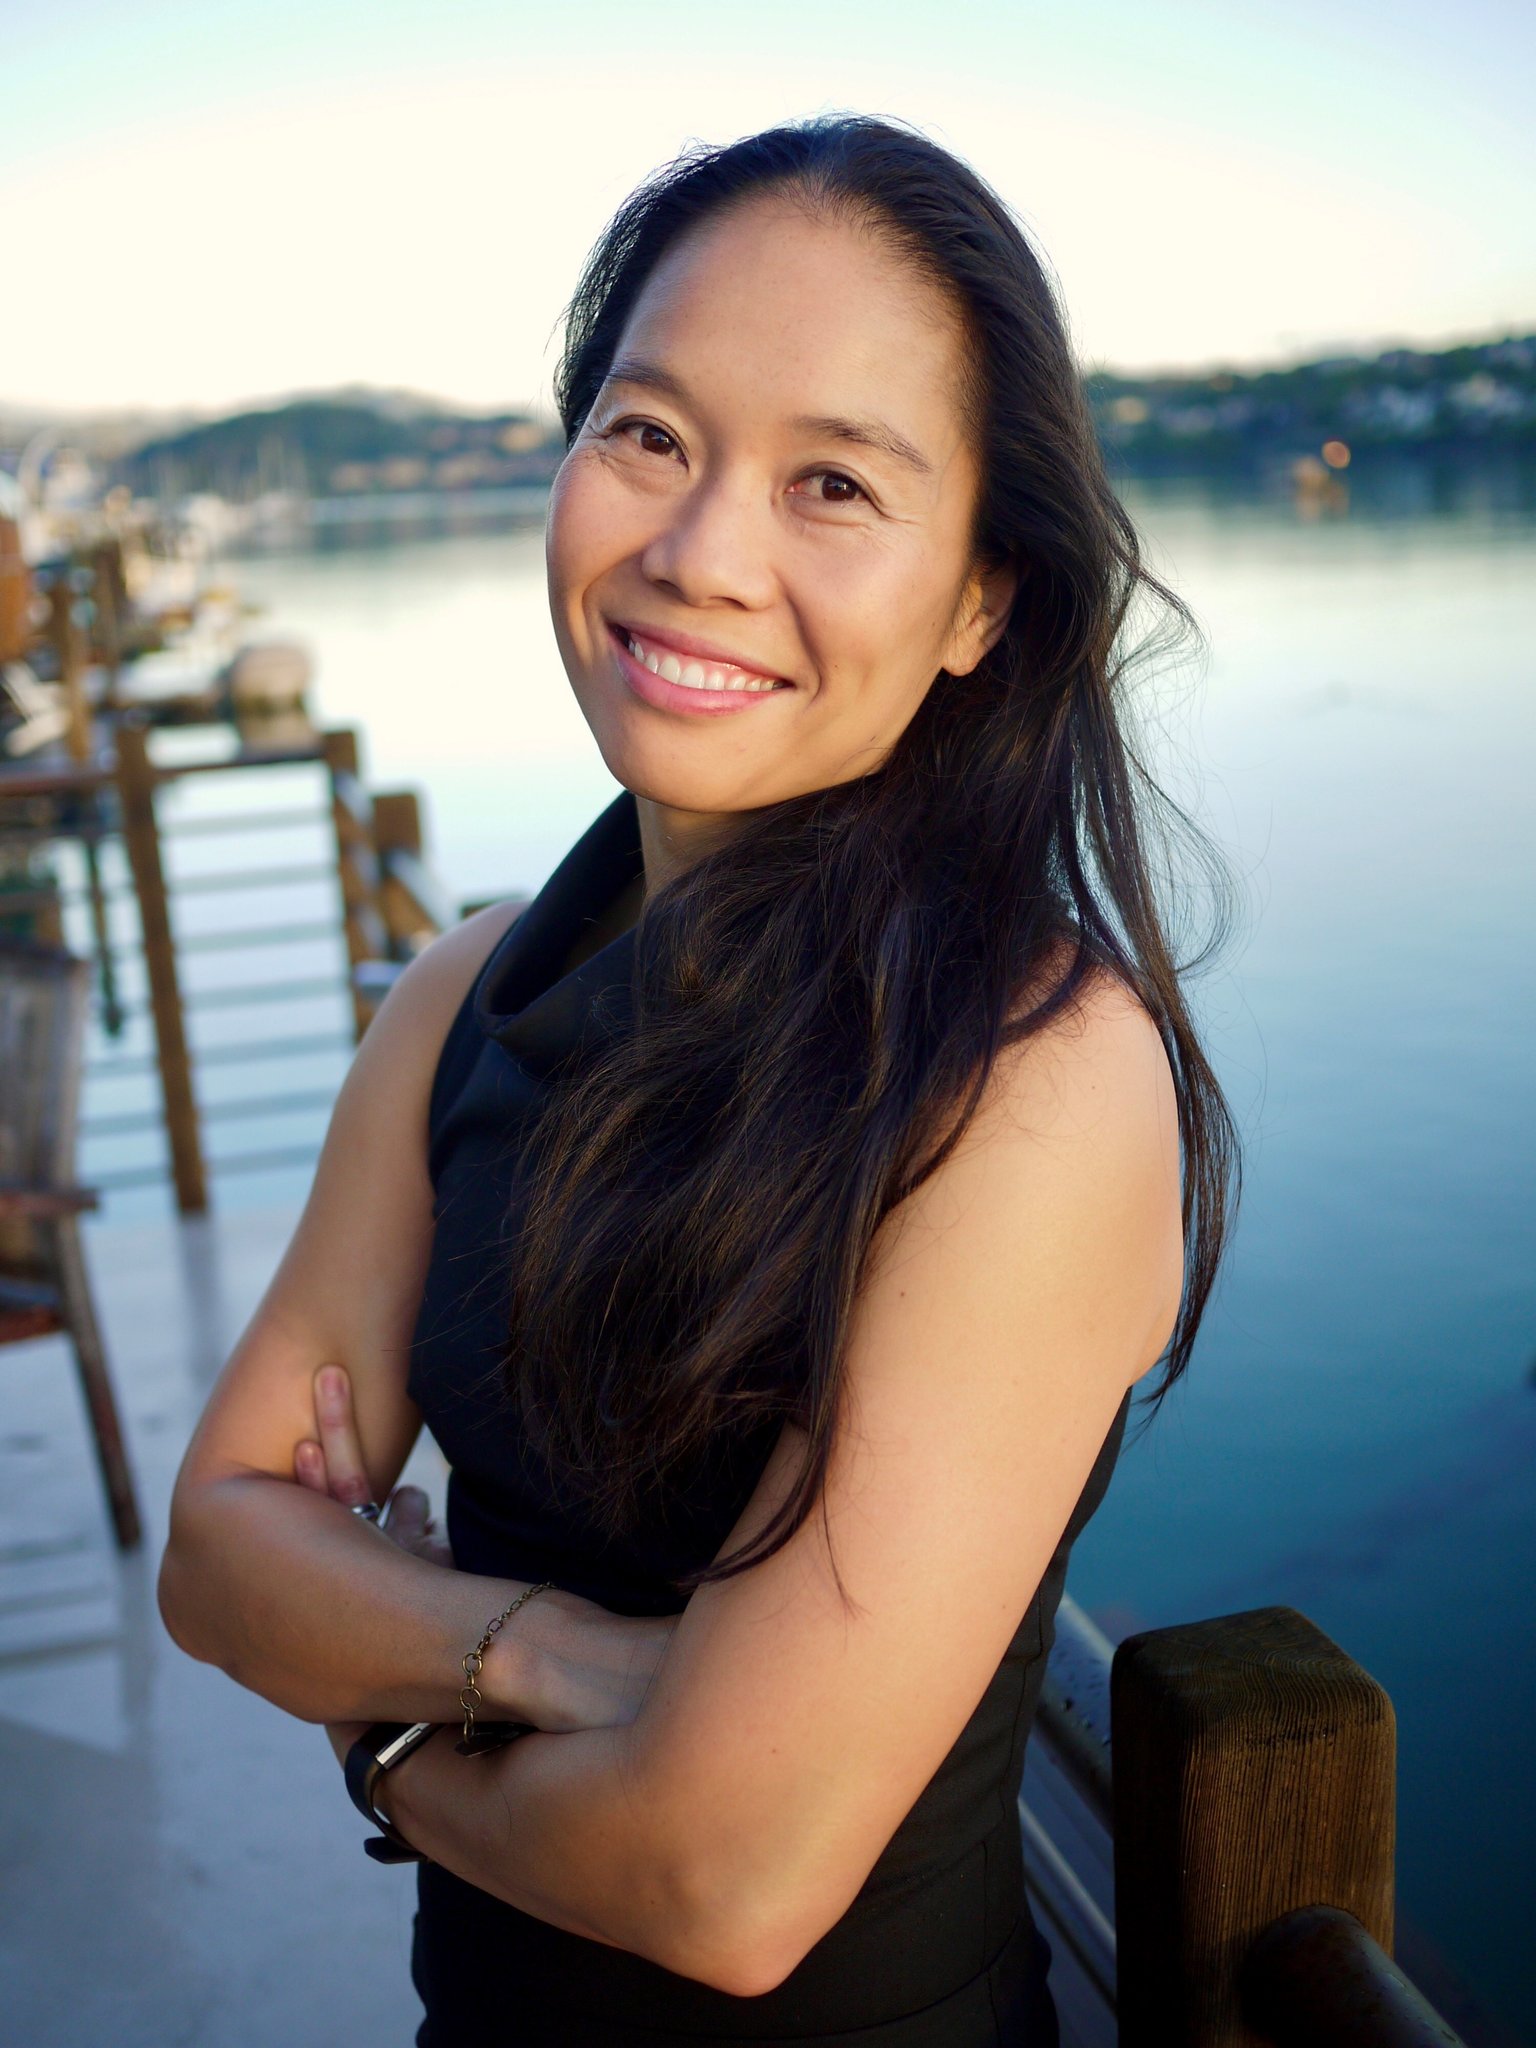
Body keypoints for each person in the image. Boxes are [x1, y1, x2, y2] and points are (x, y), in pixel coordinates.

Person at [158, 115, 1240, 2045]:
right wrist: (556, 1659)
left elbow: (722, 1880)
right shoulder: (465, 994)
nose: (699, 556)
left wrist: (379, 1727)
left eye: (834, 483)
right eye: (649, 435)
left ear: (983, 599)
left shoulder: (1032, 1082)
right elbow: (218, 1548)